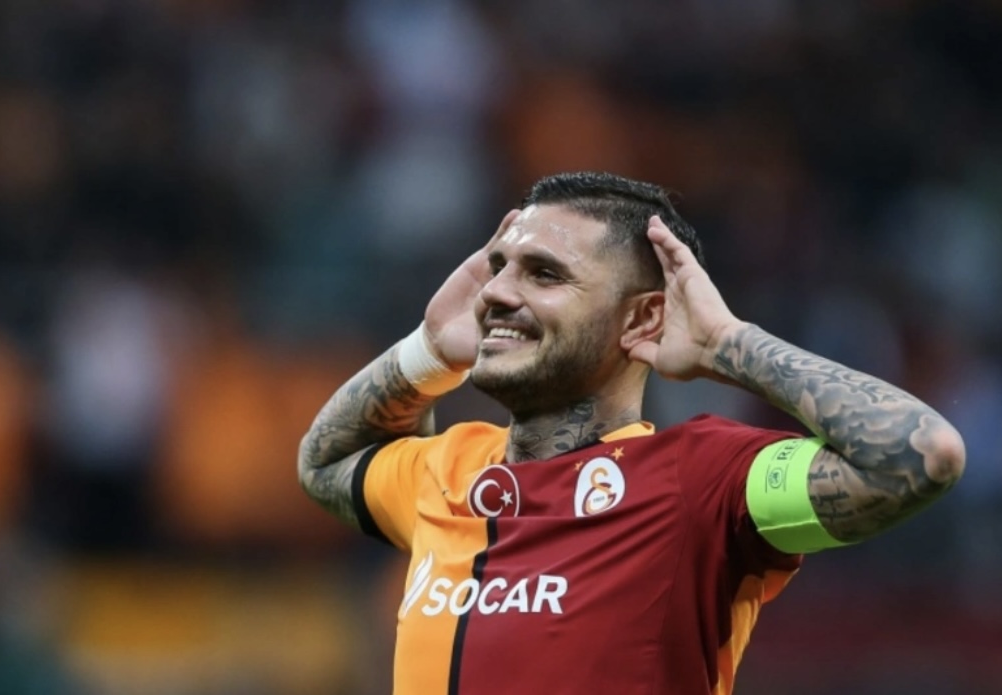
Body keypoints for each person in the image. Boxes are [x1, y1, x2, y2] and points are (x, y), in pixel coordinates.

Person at [297, 172, 966, 694]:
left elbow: (915, 456)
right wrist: (428, 350)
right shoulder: (447, 467)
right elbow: (325, 463)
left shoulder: (700, 480)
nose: (495, 292)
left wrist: (729, 344)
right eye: (499, 266)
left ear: (643, 319)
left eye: (544, 273)